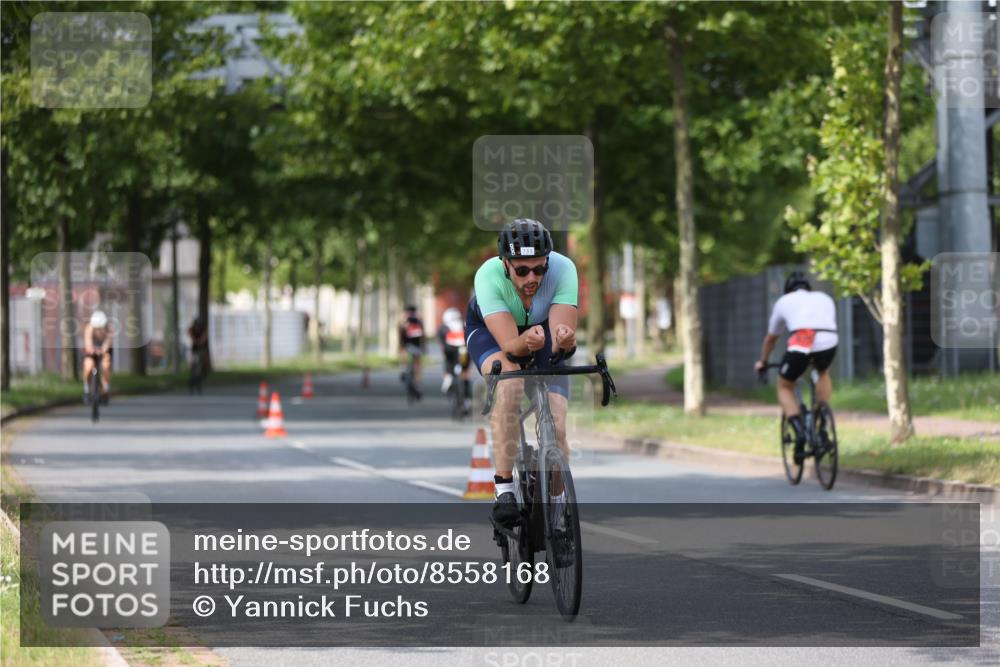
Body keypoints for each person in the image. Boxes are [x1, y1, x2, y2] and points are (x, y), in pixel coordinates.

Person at [465, 219, 578, 527]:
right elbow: (511, 348)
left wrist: (564, 341)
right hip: (492, 334)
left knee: (558, 422)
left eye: (539, 269)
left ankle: (557, 508)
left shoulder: (564, 269)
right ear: (505, 263)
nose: (532, 278)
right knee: (511, 383)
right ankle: (504, 489)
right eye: (523, 270)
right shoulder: (488, 275)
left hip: (540, 332)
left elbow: (561, 345)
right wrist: (526, 342)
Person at [754, 271, 838, 463]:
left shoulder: (783, 301)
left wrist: (763, 362)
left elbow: (771, 339)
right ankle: (821, 422)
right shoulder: (824, 297)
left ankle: (799, 431)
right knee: (822, 373)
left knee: (785, 385)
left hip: (803, 341)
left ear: (788, 289)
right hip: (829, 341)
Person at [438, 307, 471, 411]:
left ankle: (448, 378)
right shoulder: (464, 325)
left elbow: (442, 346)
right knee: (465, 373)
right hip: (464, 352)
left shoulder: (443, 328)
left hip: (450, 353)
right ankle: (466, 399)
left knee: (449, 367)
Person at [82, 310, 114, 403]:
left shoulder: (109, 329)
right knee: (88, 366)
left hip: (104, 352)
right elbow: (88, 342)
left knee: (106, 366)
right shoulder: (89, 328)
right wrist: (91, 349)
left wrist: (103, 350)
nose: (99, 330)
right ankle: (87, 390)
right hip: (91, 351)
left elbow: (108, 342)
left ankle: (105, 389)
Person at [398, 304, 425, 399]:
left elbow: (399, 333)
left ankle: (403, 368)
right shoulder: (417, 320)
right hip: (413, 345)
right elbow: (423, 335)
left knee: (406, 355)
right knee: (417, 364)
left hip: (408, 344)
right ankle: (417, 382)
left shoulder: (406, 320)